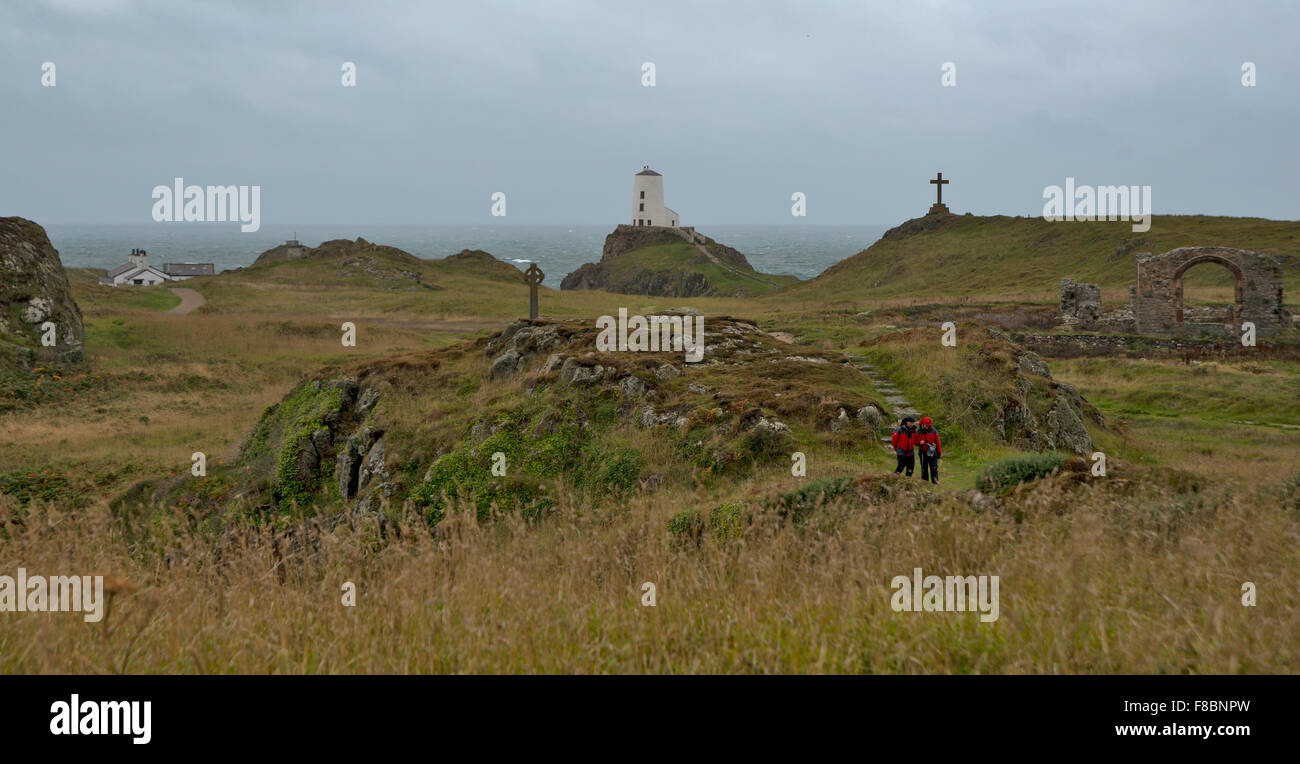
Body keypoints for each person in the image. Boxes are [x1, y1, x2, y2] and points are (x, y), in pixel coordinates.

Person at [915, 416, 942, 484]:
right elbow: (914, 441)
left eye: (929, 425)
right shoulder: (918, 431)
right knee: (924, 469)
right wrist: (919, 443)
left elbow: (938, 442)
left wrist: (939, 453)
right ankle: (925, 484)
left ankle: (935, 483)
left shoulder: (934, 430)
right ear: (923, 424)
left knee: (934, 468)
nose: (927, 427)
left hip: (933, 452)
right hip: (923, 452)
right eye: (926, 425)